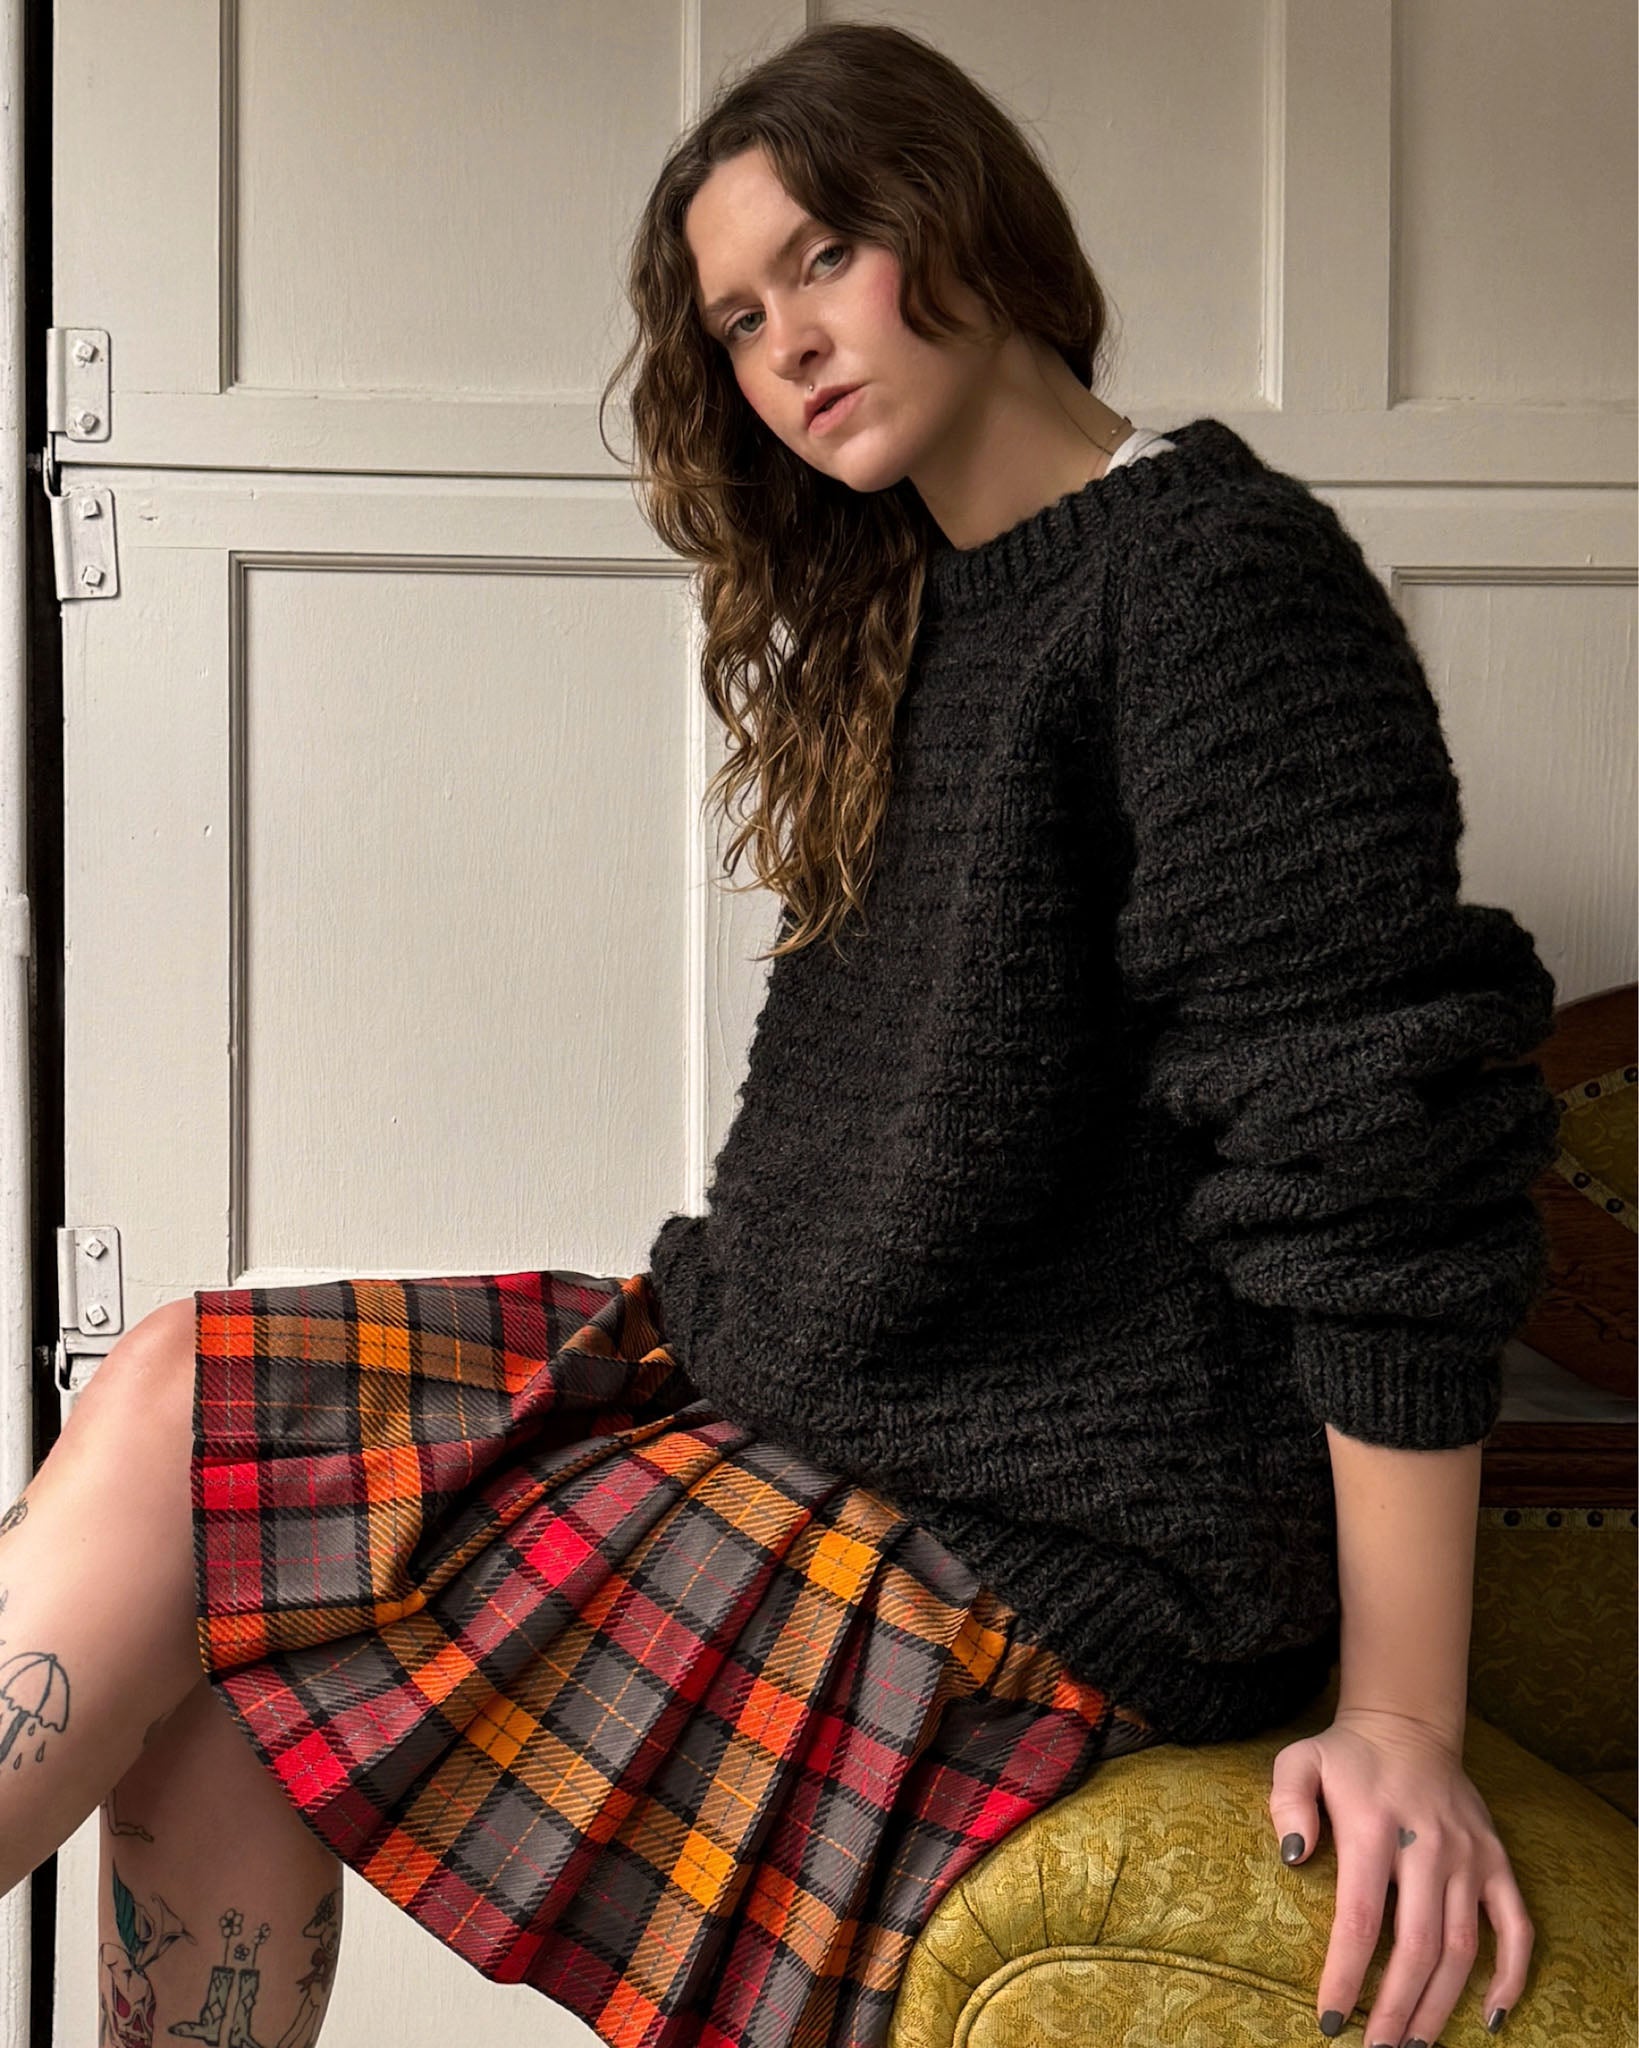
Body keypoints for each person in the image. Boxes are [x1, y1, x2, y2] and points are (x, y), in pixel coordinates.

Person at [0, 20, 1555, 2047]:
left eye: (827, 257)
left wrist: (1401, 1713)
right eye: (739, 320)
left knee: (186, 1444)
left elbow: (1370, 1151)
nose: (791, 344)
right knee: (201, 1480)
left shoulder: (1209, 577)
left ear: (966, 222)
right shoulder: (925, 608)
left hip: (1062, 1532)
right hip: (802, 1389)